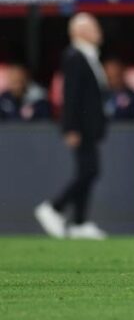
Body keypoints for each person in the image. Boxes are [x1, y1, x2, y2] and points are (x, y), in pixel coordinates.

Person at [34, 13, 108, 240]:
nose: (99, 31)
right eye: (94, 27)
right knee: (89, 170)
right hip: (80, 127)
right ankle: (54, 208)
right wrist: (70, 127)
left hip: (89, 127)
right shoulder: (75, 56)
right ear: (80, 32)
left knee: (89, 171)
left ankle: (79, 222)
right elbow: (70, 94)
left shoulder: (87, 56)